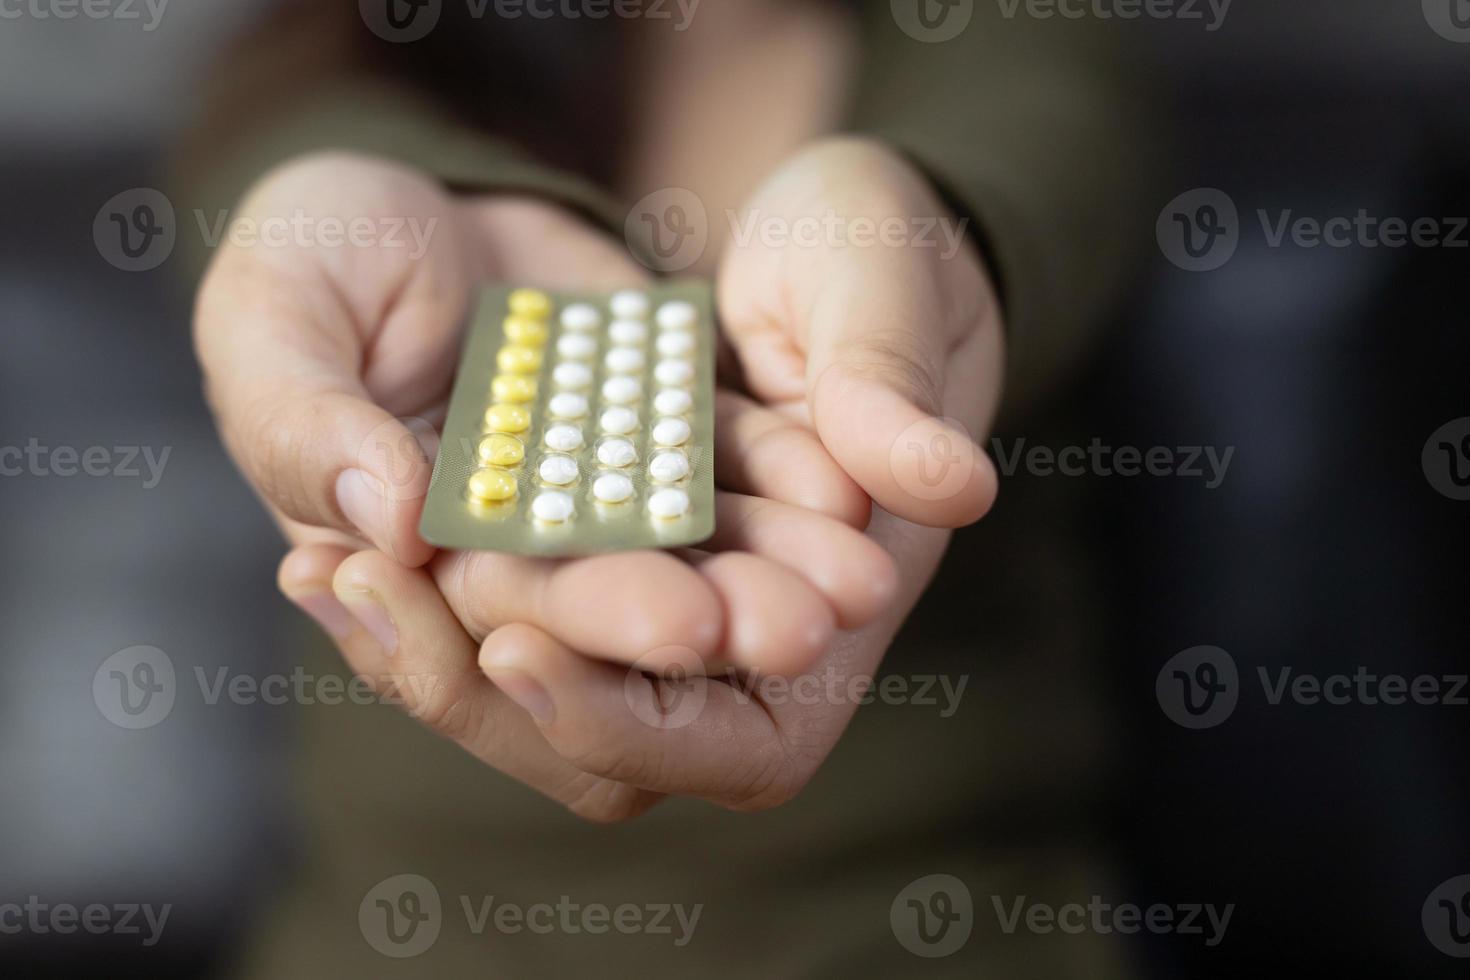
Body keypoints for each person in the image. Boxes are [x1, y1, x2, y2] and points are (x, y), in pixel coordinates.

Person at [185, 1, 1155, 974]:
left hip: (923, 930)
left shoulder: (1008, 39)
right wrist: (337, 194)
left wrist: (931, 235)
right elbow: (296, 132)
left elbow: (1039, 143)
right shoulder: (340, 56)